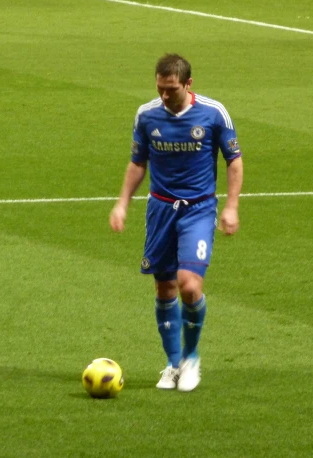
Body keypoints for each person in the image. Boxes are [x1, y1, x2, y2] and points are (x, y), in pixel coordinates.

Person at [109, 54, 243, 393]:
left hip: (198, 209)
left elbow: (234, 162)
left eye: (171, 89)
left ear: (187, 84)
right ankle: (172, 363)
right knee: (165, 287)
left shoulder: (213, 113)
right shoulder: (146, 114)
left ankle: (192, 357)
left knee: (189, 286)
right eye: (160, 88)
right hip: (160, 210)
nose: (165, 95)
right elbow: (138, 163)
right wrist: (123, 203)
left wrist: (231, 206)